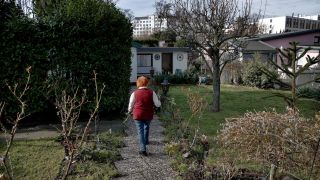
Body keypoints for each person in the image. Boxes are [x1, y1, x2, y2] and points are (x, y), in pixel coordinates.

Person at [128, 76, 161, 156]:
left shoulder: (134, 93)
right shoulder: (151, 92)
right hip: (148, 114)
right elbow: (157, 104)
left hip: (138, 114)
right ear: (147, 83)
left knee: (140, 131)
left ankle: (142, 149)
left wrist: (129, 111)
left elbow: (131, 104)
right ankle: (146, 141)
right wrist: (159, 101)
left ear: (138, 83)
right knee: (146, 126)